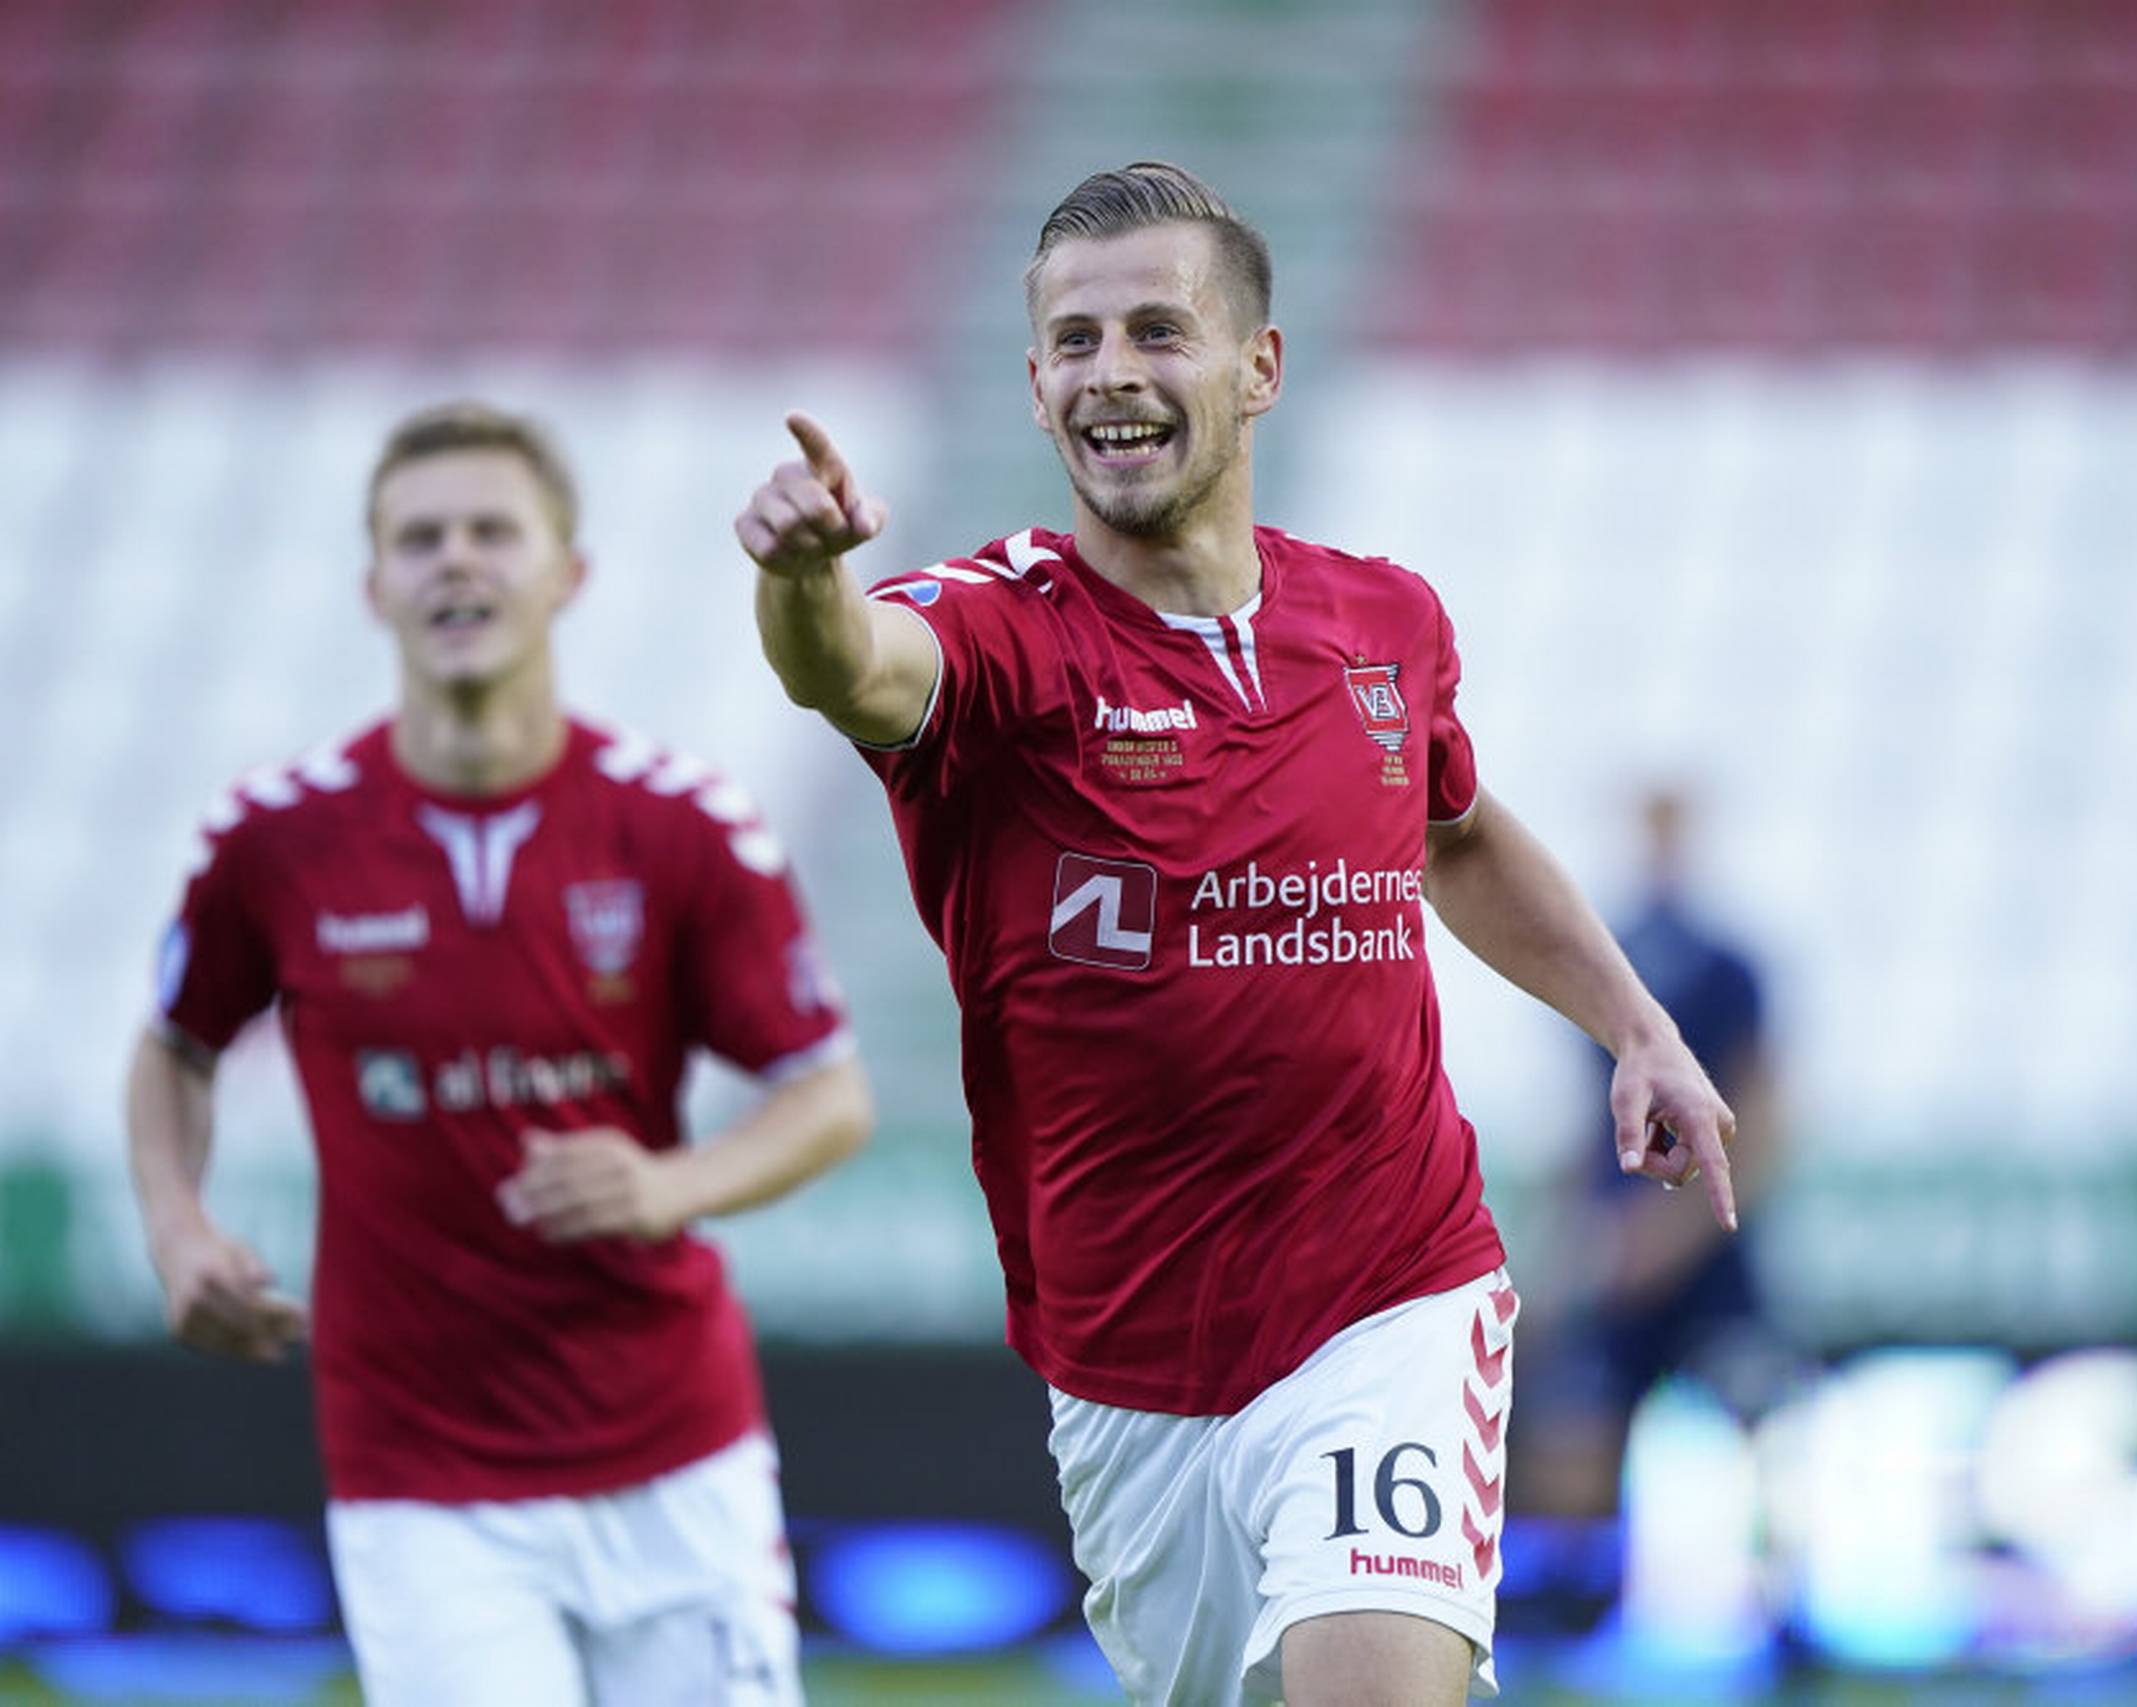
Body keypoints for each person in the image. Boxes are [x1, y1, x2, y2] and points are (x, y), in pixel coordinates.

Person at [735, 161, 1736, 1707]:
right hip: (1132, 1363)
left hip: (1393, 1293)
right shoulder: (1003, 629)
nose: (1112, 373)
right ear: (1033, 383)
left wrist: (1636, 1022)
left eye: (1157, 329)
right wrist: (806, 580)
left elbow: (1454, 830)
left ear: (1258, 366)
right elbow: (852, 668)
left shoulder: (1381, 622)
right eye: (1074, 341)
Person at [127, 403, 873, 1707]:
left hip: (673, 1449)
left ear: (568, 574)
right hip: (422, 1477)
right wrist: (176, 1226)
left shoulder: (681, 825)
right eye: (420, 538)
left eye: (491, 531)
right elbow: (175, 1045)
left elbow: (830, 1092)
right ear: (375, 586)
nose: (456, 560)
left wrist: (668, 1185)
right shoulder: (277, 838)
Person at [1508, 785, 1788, 1627]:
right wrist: (1566, 1245)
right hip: (1619, 1244)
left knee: (1753, 1426)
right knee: (1575, 1430)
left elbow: (1763, 1114)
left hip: (1707, 1242)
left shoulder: (1730, 964)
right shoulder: (1610, 955)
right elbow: (1583, 1116)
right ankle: (1574, 1615)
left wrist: (1672, 1232)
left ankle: (1763, 1615)